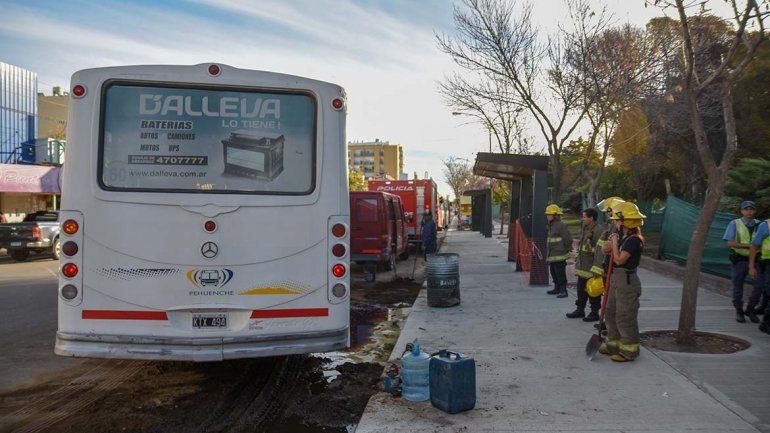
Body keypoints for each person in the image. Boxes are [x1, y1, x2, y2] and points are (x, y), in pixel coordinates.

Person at [599, 201, 646, 362]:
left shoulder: (634, 240)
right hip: (615, 279)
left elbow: (619, 260)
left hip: (627, 281)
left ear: (626, 221)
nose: (615, 223)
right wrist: (611, 242)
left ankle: (629, 350)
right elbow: (604, 249)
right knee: (611, 312)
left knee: (625, 315)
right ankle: (613, 345)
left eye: (617, 220)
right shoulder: (621, 236)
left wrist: (613, 243)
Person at [723, 201, 763, 323]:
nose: (749, 212)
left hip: (756, 261)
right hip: (739, 261)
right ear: (742, 211)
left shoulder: (760, 224)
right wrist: (748, 246)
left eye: (751, 209)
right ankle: (739, 311)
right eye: (746, 209)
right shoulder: (735, 223)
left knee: (760, 286)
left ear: (755, 211)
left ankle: (750, 309)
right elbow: (729, 243)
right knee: (738, 287)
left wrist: (754, 247)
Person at [567, 208, 604, 321]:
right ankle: (580, 309)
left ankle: (594, 312)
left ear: (591, 218)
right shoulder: (585, 228)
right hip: (583, 266)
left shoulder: (599, 230)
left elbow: (599, 251)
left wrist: (597, 268)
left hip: (592, 267)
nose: (582, 219)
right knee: (581, 290)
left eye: (584, 217)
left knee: (593, 290)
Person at [545, 204, 572, 299]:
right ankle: (556, 288)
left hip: (559, 254)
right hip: (552, 254)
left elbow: (567, 239)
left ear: (555, 215)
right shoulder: (551, 225)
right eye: (547, 214)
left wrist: (567, 249)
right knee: (553, 272)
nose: (547, 216)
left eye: (549, 214)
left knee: (560, 273)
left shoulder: (561, 225)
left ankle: (563, 290)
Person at [749, 217, 770, 334]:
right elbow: (753, 246)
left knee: (768, 293)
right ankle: (766, 323)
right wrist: (751, 267)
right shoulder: (766, 226)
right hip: (768, 263)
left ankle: (764, 314)